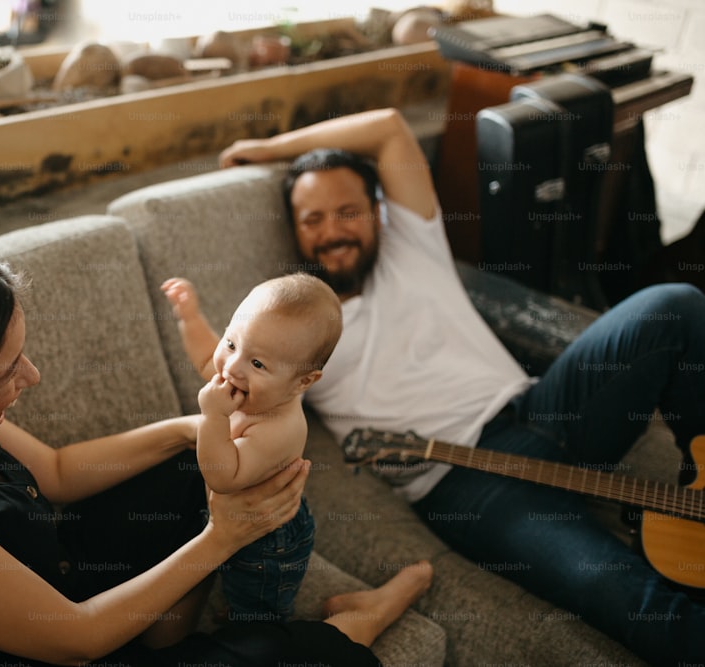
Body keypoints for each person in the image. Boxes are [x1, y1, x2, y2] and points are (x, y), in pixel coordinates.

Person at [0, 232, 433, 667]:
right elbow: (76, 639)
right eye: (9, 368)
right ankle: (358, 622)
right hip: (69, 637)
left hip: (60, 576)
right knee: (304, 654)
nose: (32, 377)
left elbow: (62, 473)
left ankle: (166, 629)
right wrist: (224, 538)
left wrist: (194, 430)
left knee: (192, 463)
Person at [218, 107, 705, 665]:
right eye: (312, 219)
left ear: (378, 212)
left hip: (543, 409)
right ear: (296, 230)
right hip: (467, 484)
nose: (331, 230)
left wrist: (268, 146)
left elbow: (389, 128)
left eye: (347, 211)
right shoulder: (291, 340)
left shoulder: (413, 247)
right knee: (619, 591)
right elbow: (230, 382)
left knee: (674, 306)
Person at [162, 273, 343, 622]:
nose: (231, 368)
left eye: (258, 364)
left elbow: (223, 476)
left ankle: (255, 620)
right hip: (234, 519)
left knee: (256, 608)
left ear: (302, 381)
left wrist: (213, 417)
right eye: (231, 343)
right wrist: (190, 318)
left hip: (269, 543)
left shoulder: (279, 428)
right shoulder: (241, 375)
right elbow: (206, 360)